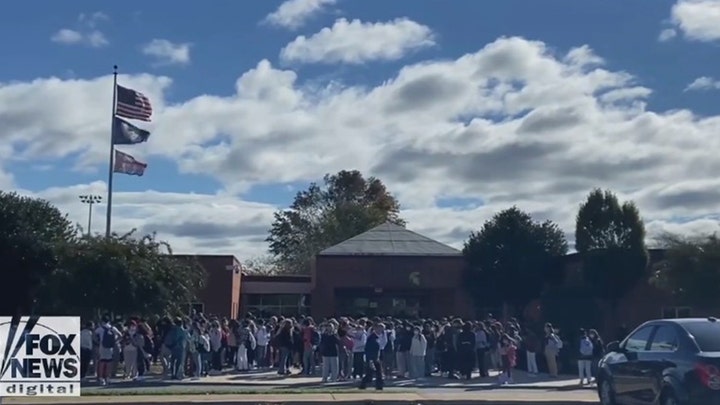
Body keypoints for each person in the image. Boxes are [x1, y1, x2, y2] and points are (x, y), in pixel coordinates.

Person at [359, 323, 384, 390]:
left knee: (378, 373)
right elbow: (368, 349)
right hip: (372, 358)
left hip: (376, 358)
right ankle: (363, 385)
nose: (381, 330)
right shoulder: (372, 338)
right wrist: (370, 359)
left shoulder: (378, 337)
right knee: (370, 374)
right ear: (376, 329)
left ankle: (379, 386)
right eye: (379, 329)